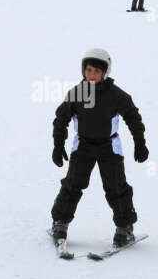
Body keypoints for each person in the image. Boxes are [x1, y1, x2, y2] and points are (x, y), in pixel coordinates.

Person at [49, 48, 148, 248]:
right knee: (72, 185)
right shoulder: (77, 93)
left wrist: (140, 143)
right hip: (83, 145)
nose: (91, 75)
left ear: (105, 72)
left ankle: (125, 226)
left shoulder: (116, 95)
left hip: (109, 147)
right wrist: (58, 145)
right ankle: (60, 222)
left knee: (116, 187)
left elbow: (133, 118)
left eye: (96, 71)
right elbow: (61, 119)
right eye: (88, 70)